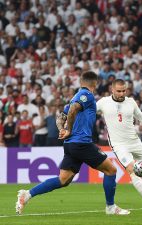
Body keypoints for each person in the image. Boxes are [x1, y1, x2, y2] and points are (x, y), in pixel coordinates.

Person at [16, 71, 129, 215]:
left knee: (63, 180)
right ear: (95, 83)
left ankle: (27, 194)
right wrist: (68, 129)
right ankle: (110, 207)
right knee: (111, 170)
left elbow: (60, 117)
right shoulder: (86, 95)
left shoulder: (74, 98)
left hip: (70, 145)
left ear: (81, 82)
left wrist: (62, 129)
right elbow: (74, 109)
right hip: (82, 143)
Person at [96, 79, 142, 207]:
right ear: (112, 90)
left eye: (124, 90)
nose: (122, 93)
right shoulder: (103, 102)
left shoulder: (131, 102)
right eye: (118, 91)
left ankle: (137, 180)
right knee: (133, 170)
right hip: (119, 145)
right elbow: (89, 112)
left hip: (134, 141)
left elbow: (141, 116)